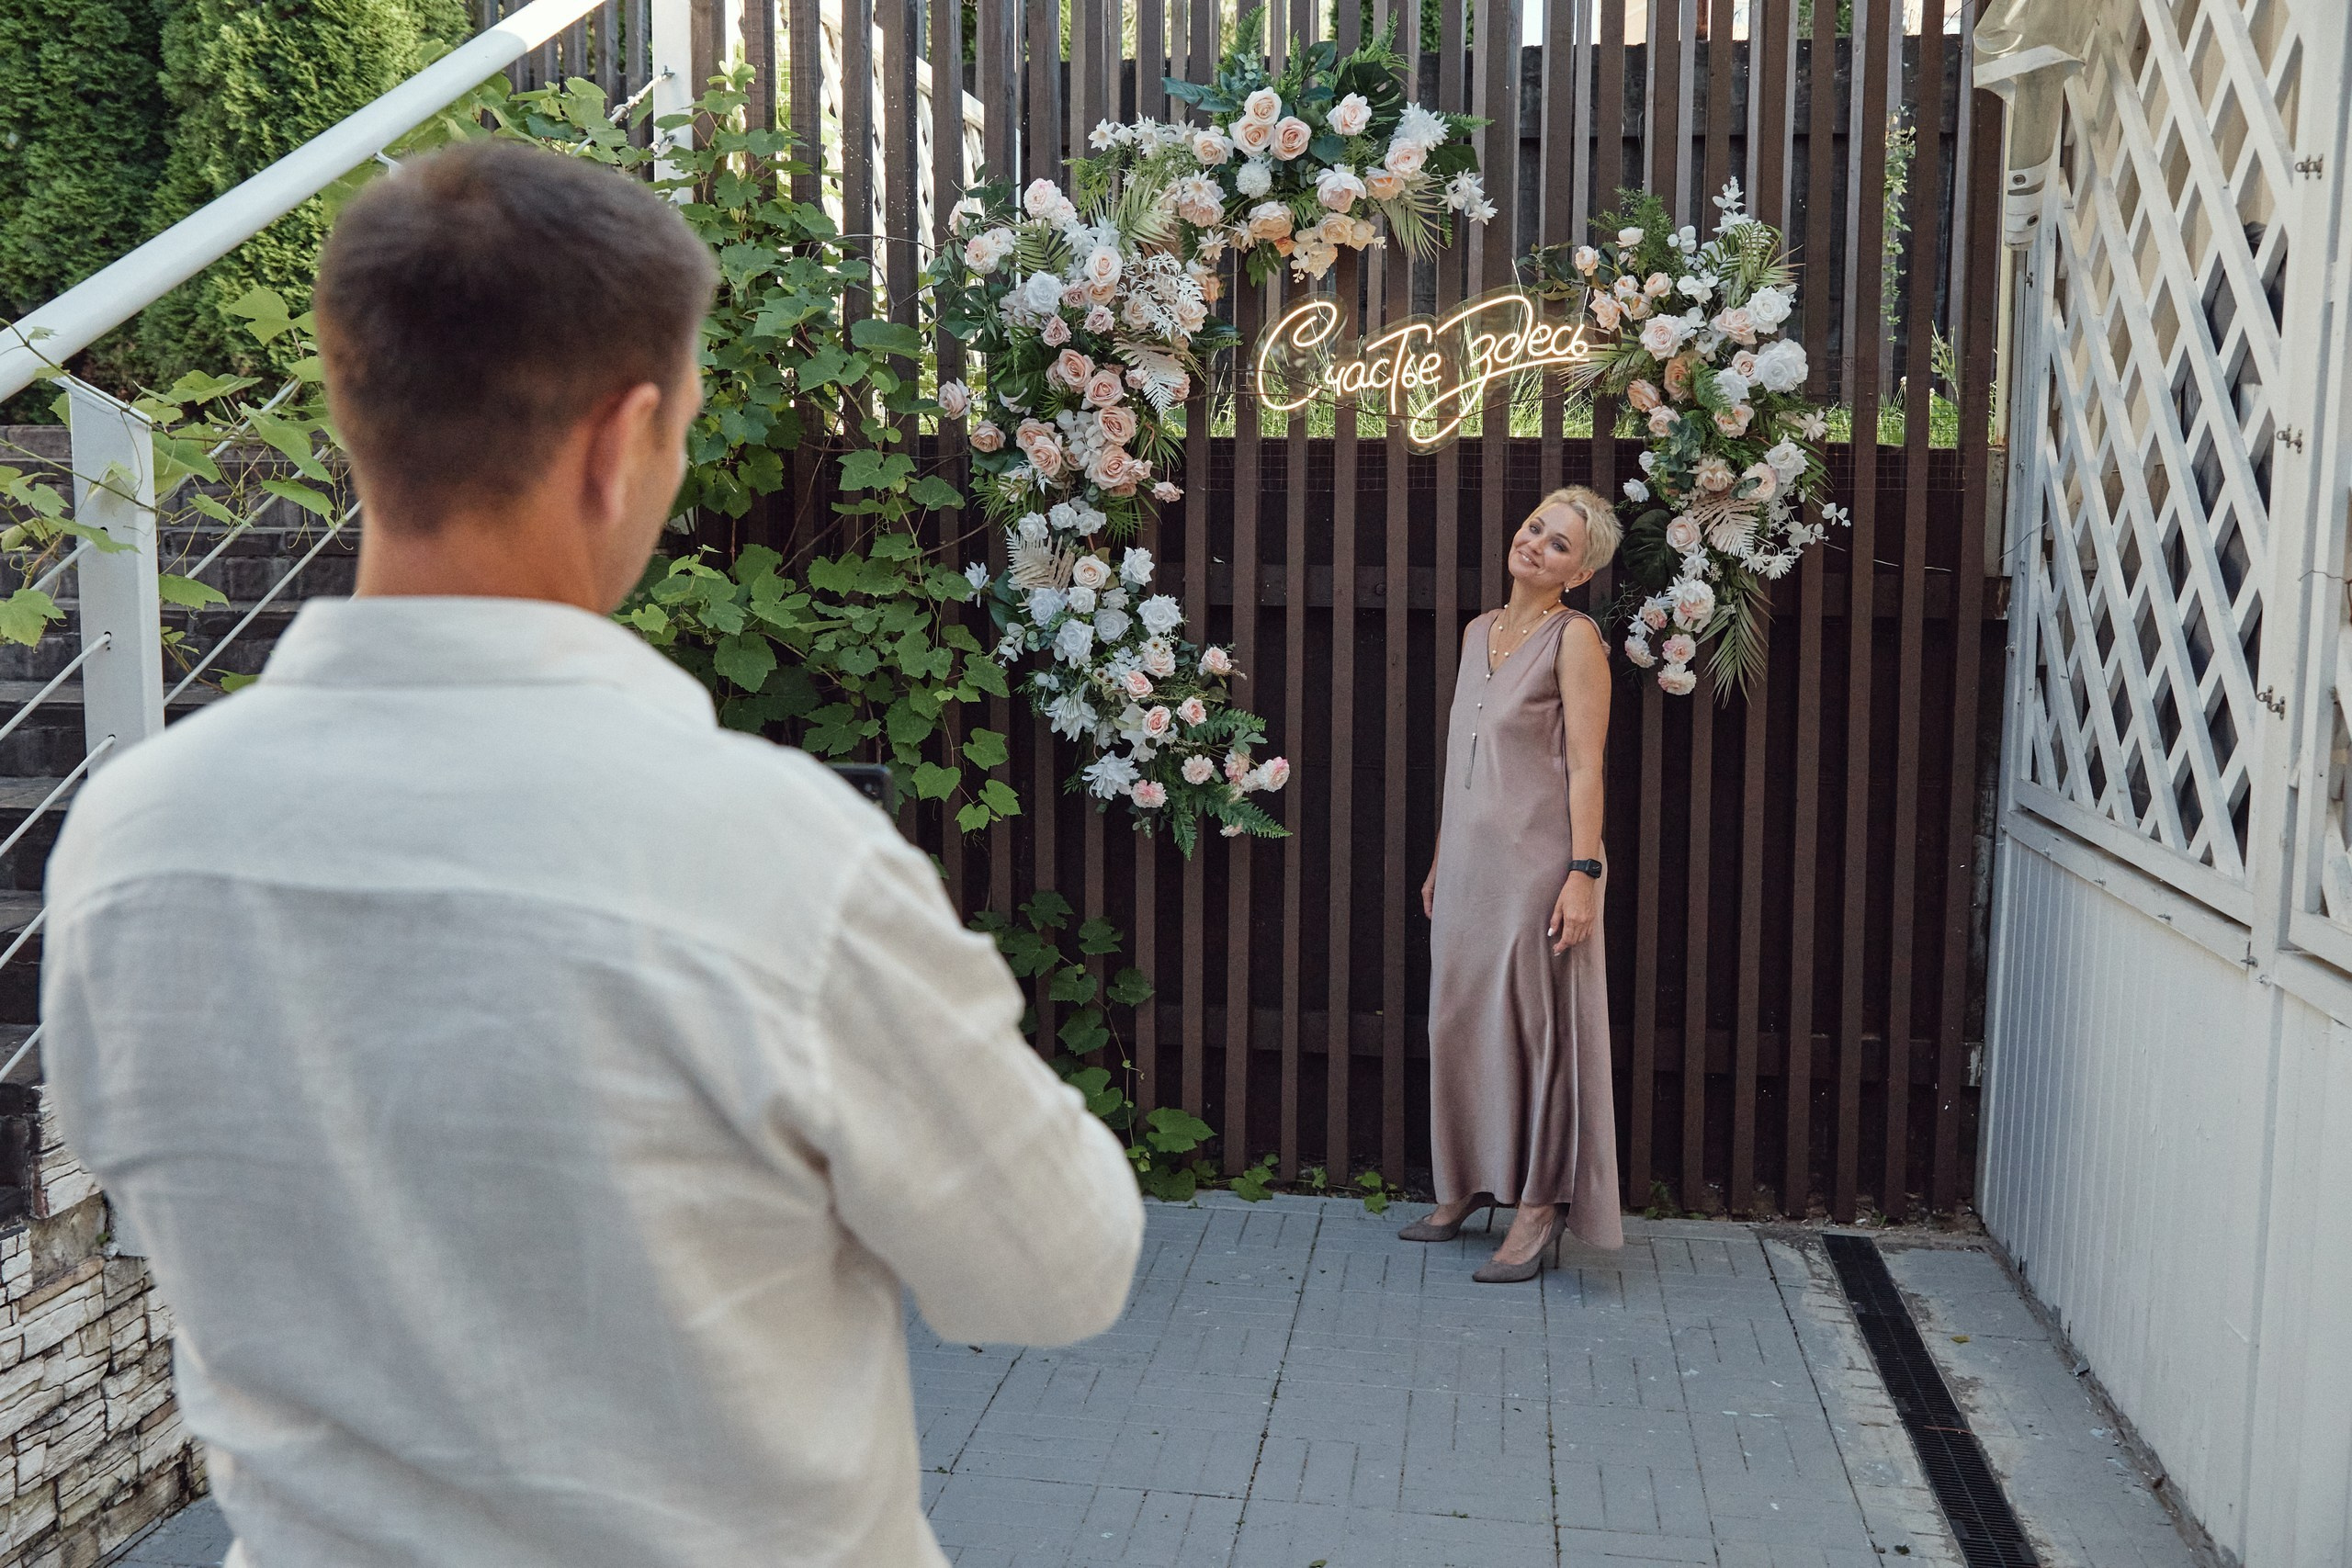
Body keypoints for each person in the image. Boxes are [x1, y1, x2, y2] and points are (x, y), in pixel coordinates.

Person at [39, 140, 1143, 1567]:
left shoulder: (128, 837)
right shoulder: (776, 859)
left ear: (351, 400)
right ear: (622, 443)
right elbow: (1056, 1267)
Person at [1405, 486, 1625, 1280]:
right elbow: (1466, 761)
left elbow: (1587, 766)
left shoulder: (1576, 639)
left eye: (1559, 543)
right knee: (1458, 1023)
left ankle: (1537, 1209)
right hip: (1466, 866)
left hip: (1537, 868)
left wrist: (1583, 872)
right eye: (1536, 526)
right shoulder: (1476, 633)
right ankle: (1465, 1181)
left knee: (1534, 1034)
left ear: (1582, 569)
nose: (1536, 544)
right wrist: (1439, 855)